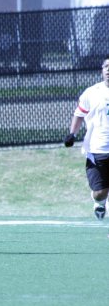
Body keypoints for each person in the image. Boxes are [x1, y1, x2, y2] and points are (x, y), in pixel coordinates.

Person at [64, 55, 109, 220]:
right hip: (97, 149)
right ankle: (99, 202)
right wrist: (72, 134)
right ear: (102, 71)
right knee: (100, 193)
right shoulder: (91, 93)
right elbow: (79, 115)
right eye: (106, 67)